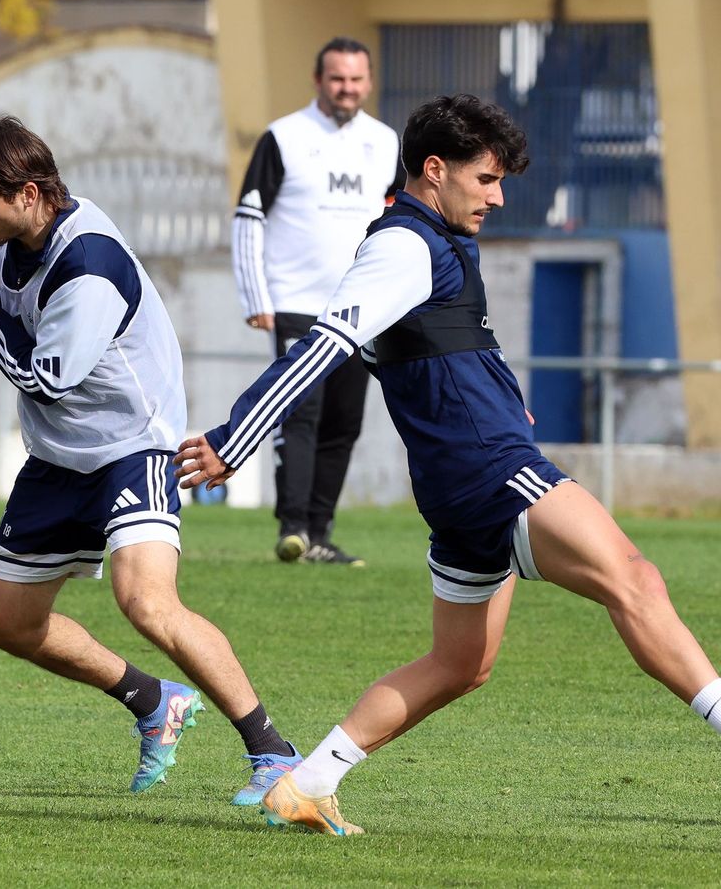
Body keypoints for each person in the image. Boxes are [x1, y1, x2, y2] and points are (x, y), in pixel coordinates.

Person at [177, 95, 721, 835]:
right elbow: (326, 346)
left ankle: (307, 782)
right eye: (486, 179)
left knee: (461, 664)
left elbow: (444, 350)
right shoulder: (404, 246)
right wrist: (235, 437)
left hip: (458, 481)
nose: (497, 198)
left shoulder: (437, 239)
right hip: (490, 470)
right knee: (635, 580)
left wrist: (505, 397)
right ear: (434, 170)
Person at [0, 116, 301, 803]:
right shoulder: (19, 240)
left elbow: (46, 376)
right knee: (8, 624)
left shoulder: (89, 264)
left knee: (147, 602)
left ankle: (274, 753)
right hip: (59, 454)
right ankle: (154, 701)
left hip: (134, 446)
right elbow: (2, 340)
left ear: (28, 193)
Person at [230, 37, 403, 565]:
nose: (346, 88)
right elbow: (248, 217)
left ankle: (321, 534)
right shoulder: (284, 137)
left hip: (360, 309)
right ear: (318, 80)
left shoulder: (386, 142)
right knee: (300, 415)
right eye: (337, 78)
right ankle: (294, 529)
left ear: (368, 82)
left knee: (344, 422)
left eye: (355, 79)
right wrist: (256, 295)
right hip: (296, 304)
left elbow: (399, 220)